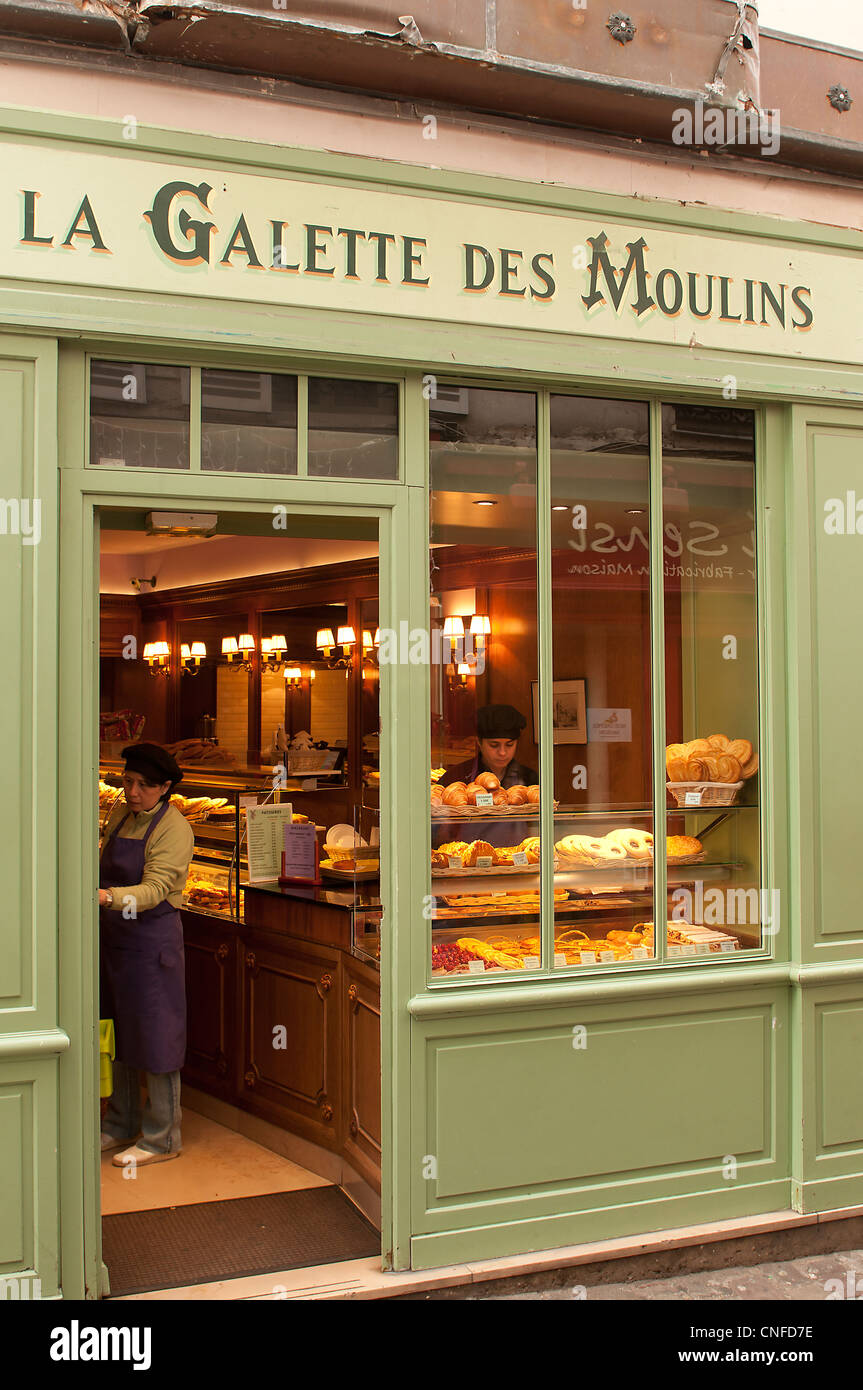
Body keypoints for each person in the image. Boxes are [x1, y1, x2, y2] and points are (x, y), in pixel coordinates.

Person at [98, 742, 194, 1167]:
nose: (132, 792)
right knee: (117, 1032)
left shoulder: (174, 829)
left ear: (165, 787)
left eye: (143, 785)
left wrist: (106, 897)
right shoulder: (120, 816)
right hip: (114, 942)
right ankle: (120, 1123)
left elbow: (154, 892)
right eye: (128, 782)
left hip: (152, 946)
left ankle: (161, 1137)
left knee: (157, 1037)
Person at [443, 703, 538, 788]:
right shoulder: (456, 778)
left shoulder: (530, 780)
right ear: (479, 742)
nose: (502, 752)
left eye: (509, 745)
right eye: (494, 745)